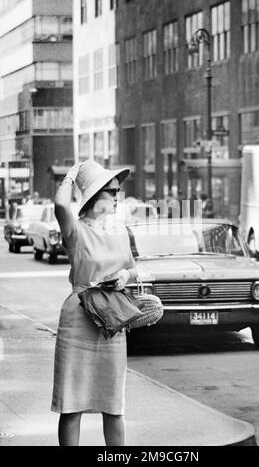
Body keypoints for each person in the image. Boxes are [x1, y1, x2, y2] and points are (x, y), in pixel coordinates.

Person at [51, 159, 138, 446]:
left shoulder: (120, 230)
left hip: (111, 320)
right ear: (94, 195)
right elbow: (62, 205)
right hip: (78, 320)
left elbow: (133, 267)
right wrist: (74, 174)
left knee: (114, 405)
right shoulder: (76, 231)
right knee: (71, 404)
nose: (117, 196)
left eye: (118, 190)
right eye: (111, 191)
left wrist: (125, 276)